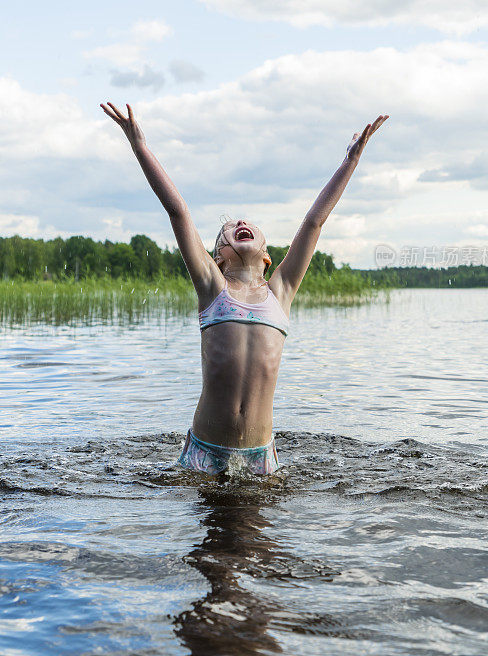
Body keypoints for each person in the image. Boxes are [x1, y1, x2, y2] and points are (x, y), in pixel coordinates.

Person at [100, 101, 388, 476]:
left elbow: (315, 221)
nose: (238, 224)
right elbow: (178, 211)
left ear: (267, 256)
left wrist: (350, 161)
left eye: (247, 224)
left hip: (260, 458)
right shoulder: (212, 286)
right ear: (218, 257)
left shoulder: (280, 290)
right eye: (227, 231)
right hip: (204, 450)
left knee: (258, 536)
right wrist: (139, 144)